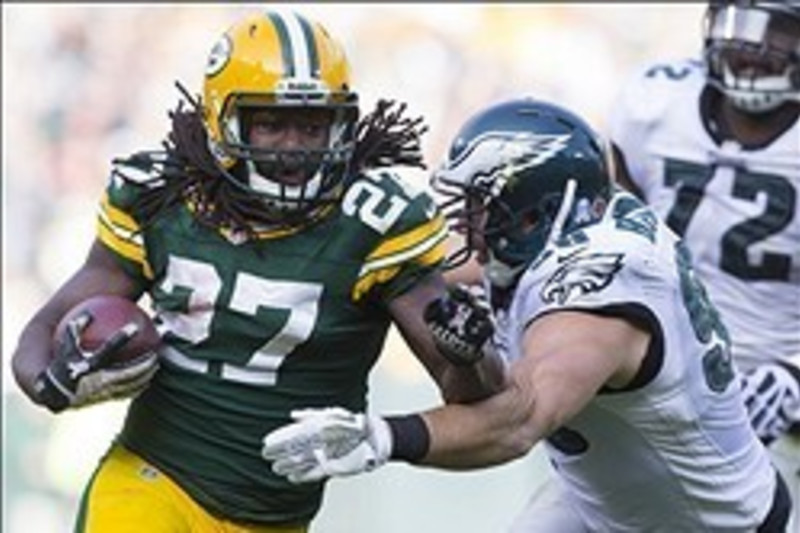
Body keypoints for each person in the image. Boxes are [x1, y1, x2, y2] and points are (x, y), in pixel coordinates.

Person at [10, 9, 507, 532]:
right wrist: (52, 383)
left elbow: (473, 393)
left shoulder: (375, 224)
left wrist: (467, 355)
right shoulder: (161, 201)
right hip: (155, 482)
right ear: (220, 118)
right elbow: (40, 333)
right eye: (271, 123)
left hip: (276, 518)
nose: (293, 146)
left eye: (312, 125)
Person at [261, 97, 792, 532]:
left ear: (535, 212)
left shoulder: (597, 296)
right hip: (605, 503)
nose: (465, 226)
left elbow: (518, 421)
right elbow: (424, 259)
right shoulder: (570, 228)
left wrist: (382, 437)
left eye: (478, 207)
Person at [606, 0, 800, 526]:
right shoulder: (657, 99)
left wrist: (794, 376)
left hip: (771, 407)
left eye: (777, 33)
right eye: (740, 26)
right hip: (659, 381)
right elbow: (604, 235)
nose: (751, 48)